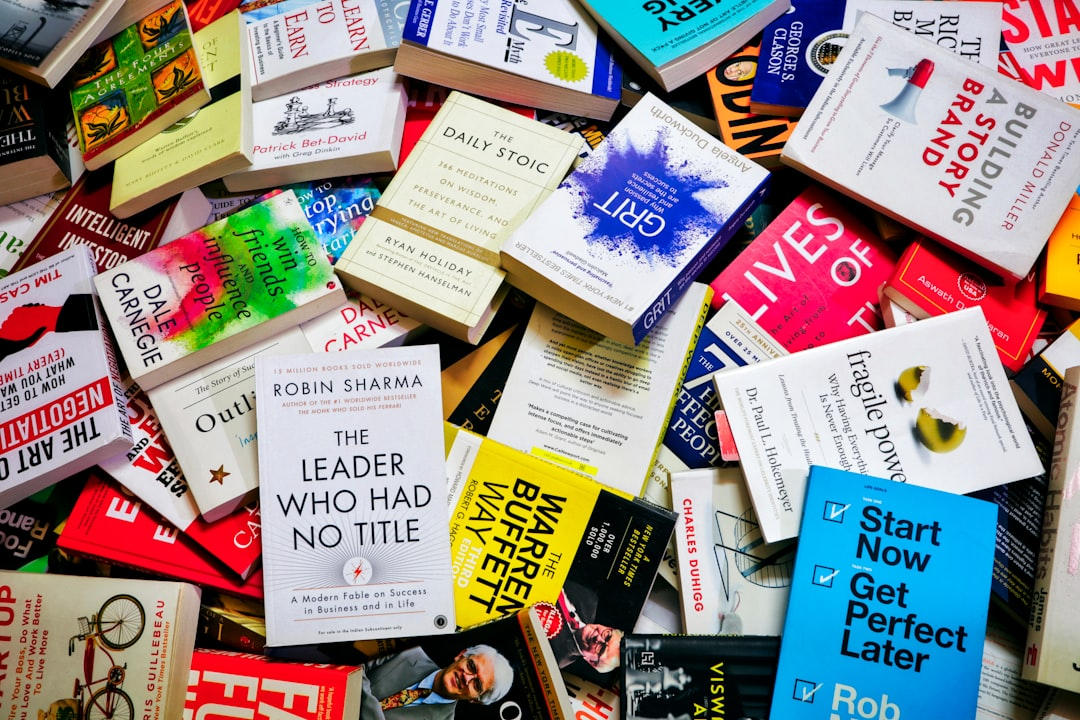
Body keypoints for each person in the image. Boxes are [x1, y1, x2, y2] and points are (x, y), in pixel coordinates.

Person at [361, 644, 513, 720]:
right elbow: (354, 668)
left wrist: (362, 695)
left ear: (475, 700)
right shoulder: (410, 652)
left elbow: (359, 679)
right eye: (471, 666)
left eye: (477, 684)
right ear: (461, 655)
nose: (467, 678)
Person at [547, 583, 624, 677]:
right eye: (607, 636)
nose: (598, 638)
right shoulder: (590, 600)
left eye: (601, 649)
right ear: (608, 628)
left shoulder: (554, 659)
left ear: (591, 661)